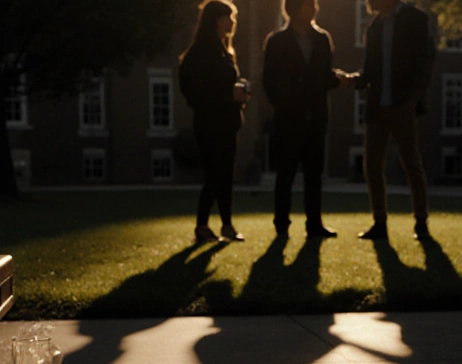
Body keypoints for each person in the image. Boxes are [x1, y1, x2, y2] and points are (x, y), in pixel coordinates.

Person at [340, 0, 435, 241]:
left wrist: (413, 98)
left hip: (402, 104)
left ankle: (421, 223)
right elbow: (370, 71)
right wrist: (354, 80)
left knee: (411, 163)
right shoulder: (374, 28)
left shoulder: (415, 19)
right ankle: (379, 224)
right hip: (377, 107)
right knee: (372, 166)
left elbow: (425, 61)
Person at [262, 0, 340, 239]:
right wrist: (284, 105)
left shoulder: (322, 39)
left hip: (315, 117)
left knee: (314, 174)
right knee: (285, 173)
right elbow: (269, 81)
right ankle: (282, 225)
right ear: (295, 9)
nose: (315, 8)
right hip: (288, 118)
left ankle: (314, 224)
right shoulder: (276, 42)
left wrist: (340, 79)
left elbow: (326, 75)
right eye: (310, 4)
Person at [179, 0, 252, 243]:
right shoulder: (200, 52)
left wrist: (240, 91)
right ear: (217, 21)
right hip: (210, 124)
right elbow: (192, 90)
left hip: (228, 123)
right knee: (214, 175)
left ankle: (227, 225)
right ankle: (201, 226)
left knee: (226, 176)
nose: (232, 23)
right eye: (228, 18)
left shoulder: (224, 50)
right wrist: (228, 94)